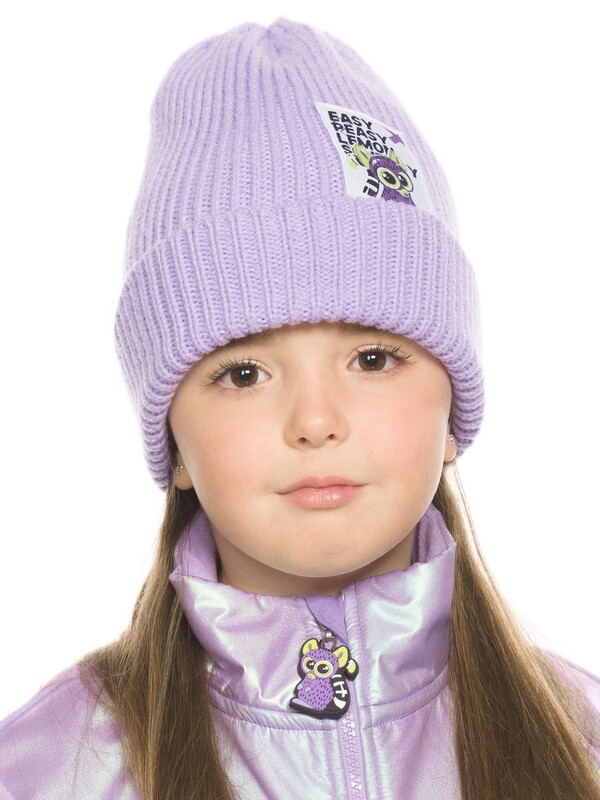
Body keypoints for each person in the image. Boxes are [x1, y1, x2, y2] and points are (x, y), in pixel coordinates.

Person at [0, 16, 599, 800]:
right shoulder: (51, 769)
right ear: (174, 444)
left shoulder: (580, 739)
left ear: (452, 407)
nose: (316, 422)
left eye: (373, 359)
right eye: (244, 373)